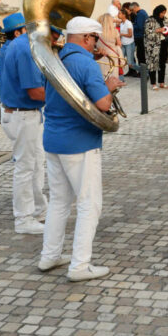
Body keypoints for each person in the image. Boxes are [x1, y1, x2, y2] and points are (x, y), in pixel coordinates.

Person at [39, 17, 123, 281]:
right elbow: (101, 103)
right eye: (94, 39)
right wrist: (109, 87)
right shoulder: (85, 63)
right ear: (87, 38)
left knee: (59, 202)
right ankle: (79, 266)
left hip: (53, 139)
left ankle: (49, 256)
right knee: (89, 204)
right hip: (79, 142)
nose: (95, 44)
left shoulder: (56, 59)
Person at [0, 12, 48, 235]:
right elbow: (35, 91)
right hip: (24, 114)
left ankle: (39, 209)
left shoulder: (7, 47)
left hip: (18, 113)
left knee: (36, 163)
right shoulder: (23, 48)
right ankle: (24, 219)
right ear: (20, 31)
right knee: (26, 168)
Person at [144, 5, 168, 90]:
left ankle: (162, 82)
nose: (163, 14)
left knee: (162, 63)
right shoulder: (150, 20)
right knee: (153, 64)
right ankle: (153, 83)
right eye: (162, 13)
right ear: (158, 12)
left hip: (163, 43)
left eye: (164, 13)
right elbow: (147, 33)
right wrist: (158, 30)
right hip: (153, 46)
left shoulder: (165, 19)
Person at [118, 7, 139, 78]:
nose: (118, 14)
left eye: (120, 13)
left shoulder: (128, 23)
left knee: (130, 64)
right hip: (123, 44)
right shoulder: (121, 23)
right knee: (120, 61)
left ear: (124, 15)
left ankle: (144, 71)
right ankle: (121, 78)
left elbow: (130, 35)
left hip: (129, 44)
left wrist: (121, 34)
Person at [131, 2, 148, 71]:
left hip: (140, 37)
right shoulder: (142, 13)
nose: (132, 12)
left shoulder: (140, 14)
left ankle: (143, 72)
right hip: (141, 37)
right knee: (140, 55)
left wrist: (131, 25)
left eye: (132, 10)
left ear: (135, 7)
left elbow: (140, 26)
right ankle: (143, 71)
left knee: (141, 55)